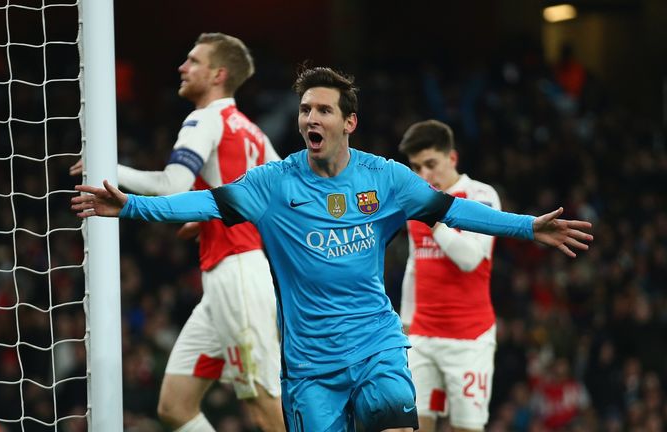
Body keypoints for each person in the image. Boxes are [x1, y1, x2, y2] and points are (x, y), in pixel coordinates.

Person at [71, 66, 593, 432]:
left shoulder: (386, 178)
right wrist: (132, 208)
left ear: (349, 122)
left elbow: (452, 210)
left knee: (394, 420)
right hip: (310, 365)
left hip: (375, 344)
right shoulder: (272, 183)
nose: (309, 119)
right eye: (304, 110)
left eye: (323, 109)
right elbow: (202, 205)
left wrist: (528, 227)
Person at [71, 33, 284, 431]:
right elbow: (278, 200)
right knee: (175, 406)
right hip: (227, 279)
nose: (182, 68)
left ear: (218, 75)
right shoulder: (253, 133)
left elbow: (173, 185)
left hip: (237, 277)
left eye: (193, 61)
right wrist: (210, 216)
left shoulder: (206, 118)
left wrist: (109, 167)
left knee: (262, 403)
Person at [397, 119, 501, 432]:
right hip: (423, 337)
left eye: (431, 165)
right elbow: (415, 265)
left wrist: (435, 220)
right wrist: (404, 328)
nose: (423, 176)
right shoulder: (415, 205)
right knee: (410, 425)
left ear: (452, 158)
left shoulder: (481, 196)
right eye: (416, 168)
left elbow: (470, 259)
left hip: (469, 339)